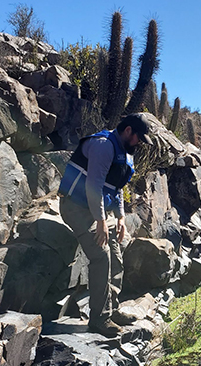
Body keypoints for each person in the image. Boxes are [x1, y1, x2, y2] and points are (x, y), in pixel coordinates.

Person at [58, 114, 152, 336]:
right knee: (101, 256)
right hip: (76, 207)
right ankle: (99, 319)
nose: (140, 143)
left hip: (97, 210)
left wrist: (119, 218)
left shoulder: (125, 152)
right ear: (128, 131)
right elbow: (93, 186)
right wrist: (101, 221)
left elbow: (117, 187)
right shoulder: (103, 146)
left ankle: (111, 308)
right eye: (139, 137)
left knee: (116, 253)